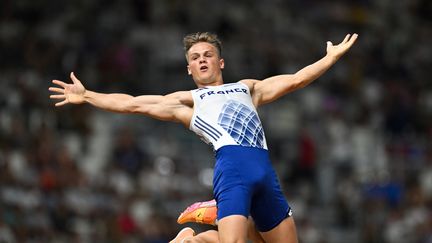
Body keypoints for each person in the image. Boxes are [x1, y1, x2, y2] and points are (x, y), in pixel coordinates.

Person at [49, 32, 358, 243]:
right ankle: (199, 237)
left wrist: (329, 58)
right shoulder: (188, 101)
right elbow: (133, 103)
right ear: (188, 68)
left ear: (220, 62)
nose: (202, 59)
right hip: (233, 172)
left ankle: (200, 237)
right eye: (195, 57)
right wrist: (88, 95)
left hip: (266, 173)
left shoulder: (247, 88)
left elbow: (295, 80)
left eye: (208, 54)